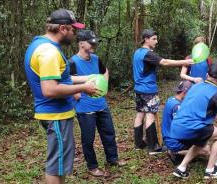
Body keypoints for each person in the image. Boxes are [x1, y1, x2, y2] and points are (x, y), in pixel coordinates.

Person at [24, 9, 100, 184]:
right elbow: (50, 89)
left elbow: (62, 79)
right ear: (63, 28)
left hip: (56, 113)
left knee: (59, 164)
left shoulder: (41, 44)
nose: (75, 34)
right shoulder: (49, 52)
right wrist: (84, 88)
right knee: (56, 166)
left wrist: (88, 78)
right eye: (74, 30)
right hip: (55, 114)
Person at [69, 30, 126, 177]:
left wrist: (104, 85)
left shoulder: (95, 59)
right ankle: (92, 166)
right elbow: (68, 80)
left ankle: (113, 159)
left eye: (95, 42)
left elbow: (105, 71)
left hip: (101, 104)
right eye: (91, 42)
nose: (94, 45)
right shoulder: (73, 62)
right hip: (84, 107)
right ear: (81, 43)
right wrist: (76, 94)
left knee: (109, 133)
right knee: (88, 138)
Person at [170, 63, 217, 179]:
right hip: (189, 128)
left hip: (175, 126)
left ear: (207, 75)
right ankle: (210, 170)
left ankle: (181, 168)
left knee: (201, 140)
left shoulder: (195, 86)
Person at [132, 29, 193, 154]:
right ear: (146, 39)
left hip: (138, 88)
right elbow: (164, 62)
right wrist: (185, 62)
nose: (156, 41)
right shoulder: (147, 53)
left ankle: (138, 144)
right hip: (148, 89)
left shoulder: (137, 52)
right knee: (149, 115)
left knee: (140, 114)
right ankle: (153, 147)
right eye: (154, 39)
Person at [161, 80, 210, 165]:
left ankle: (178, 151)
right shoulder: (177, 107)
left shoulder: (170, 100)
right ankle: (176, 152)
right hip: (174, 141)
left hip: (168, 137)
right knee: (206, 150)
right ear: (184, 92)